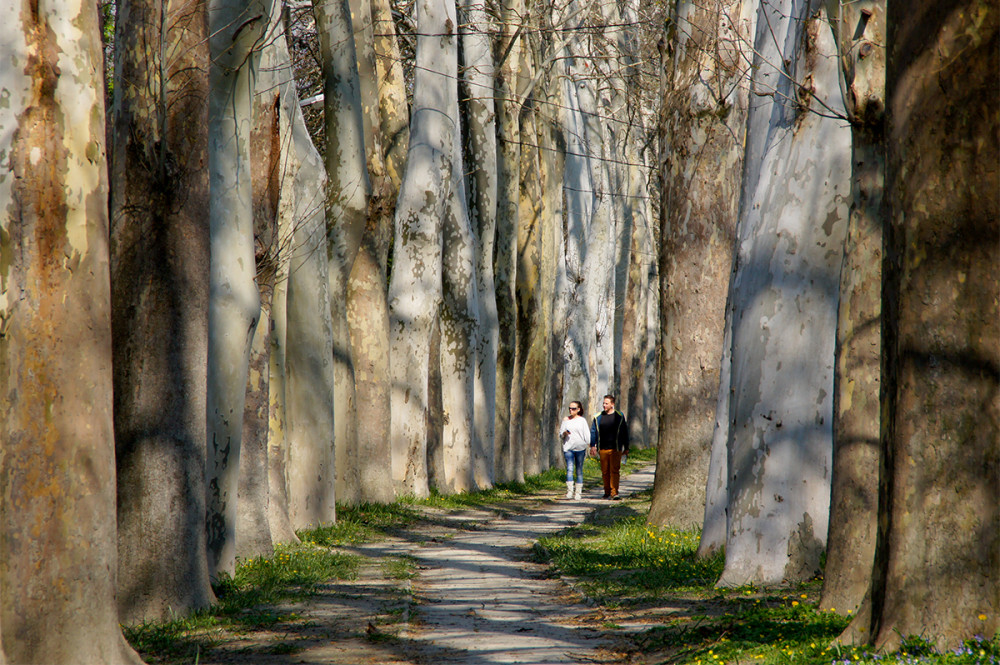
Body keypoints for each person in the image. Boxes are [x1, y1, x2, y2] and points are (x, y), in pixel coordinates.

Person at [589, 394, 629, 500]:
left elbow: (624, 432)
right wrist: (593, 445)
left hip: (616, 448)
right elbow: (593, 431)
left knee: (614, 470)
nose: (604, 405)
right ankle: (606, 492)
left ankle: (614, 492)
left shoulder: (619, 416)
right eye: (603, 403)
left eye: (606, 403)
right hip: (602, 448)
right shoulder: (598, 417)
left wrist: (626, 447)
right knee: (605, 472)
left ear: (612, 404)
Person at [559, 401, 590, 500]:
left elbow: (587, 435)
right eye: (570, 408)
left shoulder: (582, 421)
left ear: (579, 409)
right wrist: (564, 433)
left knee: (579, 470)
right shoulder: (566, 420)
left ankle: (578, 492)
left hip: (580, 448)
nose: (571, 410)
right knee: (569, 469)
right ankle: (569, 491)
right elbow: (560, 434)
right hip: (568, 448)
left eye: (573, 408)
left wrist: (590, 445)